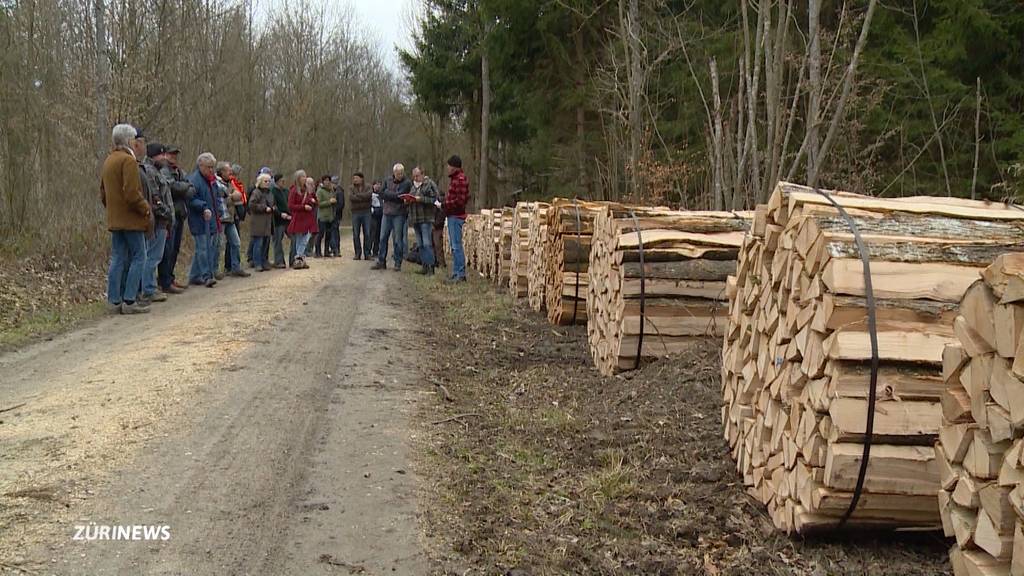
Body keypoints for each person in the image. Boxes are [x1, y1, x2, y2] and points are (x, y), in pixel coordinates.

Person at [100, 124, 153, 314]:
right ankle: (129, 300)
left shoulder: (109, 160)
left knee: (118, 258)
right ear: (129, 140)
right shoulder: (128, 161)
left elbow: (103, 193)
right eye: (133, 139)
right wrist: (145, 208)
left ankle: (114, 300)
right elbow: (132, 193)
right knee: (140, 256)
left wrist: (114, 210)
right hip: (131, 220)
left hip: (115, 219)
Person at [156, 145, 193, 294]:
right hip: (169, 214)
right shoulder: (163, 171)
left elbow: (191, 188)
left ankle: (170, 278)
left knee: (175, 249)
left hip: (180, 213)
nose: (174, 158)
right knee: (167, 250)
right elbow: (171, 188)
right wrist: (183, 188)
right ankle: (164, 281)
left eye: (175, 155)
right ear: (165, 155)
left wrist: (182, 187)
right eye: (171, 155)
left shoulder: (178, 171)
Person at [140, 142, 175, 303]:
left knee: (155, 256)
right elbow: (155, 198)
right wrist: (166, 214)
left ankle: (149, 287)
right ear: (154, 156)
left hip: (162, 221)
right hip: (157, 221)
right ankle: (148, 289)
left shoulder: (158, 171)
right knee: (152, 256)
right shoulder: (149, 171)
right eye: (162, 155)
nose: (165, 158)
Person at [186, 152, 221, 287]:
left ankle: (194, 275)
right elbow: (190, 199)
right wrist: (203, 207)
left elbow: (216, 197)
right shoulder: (194, 180)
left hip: (211, 218)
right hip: (198, 219)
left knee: (205, 248)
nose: (211, 170)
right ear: (200, 166)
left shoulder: (211, 181)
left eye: (213, 167)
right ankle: (207, 276)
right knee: (203, 249)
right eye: (208, 167)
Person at [371, 164, 411, 271]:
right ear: (394, 173)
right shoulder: (387, 180)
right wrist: (393, 195)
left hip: (399, 214)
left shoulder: (407, 182)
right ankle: (381, 261)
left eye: (401, 173)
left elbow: (401, 196)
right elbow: (381, 193)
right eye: (398, 173)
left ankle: (398, 263)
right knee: (382, 237)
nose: (400, 175)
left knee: (397, 239)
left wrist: (390, 194)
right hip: (386, 213)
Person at [216, 162, 250, 278]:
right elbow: (222, 199)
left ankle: (236, 267)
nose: (230, 172)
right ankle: (214, 270)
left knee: (236, 242)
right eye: (227, 171)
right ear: (221, 172)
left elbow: (238, 195)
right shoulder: (216, 183)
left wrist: (232, 196)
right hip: (221, 217)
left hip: (230, 217)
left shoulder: (230, 182)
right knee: (218, 245)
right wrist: (231, 196)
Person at [406, 166, 439, 276]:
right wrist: (408, 201)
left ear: (422, 174)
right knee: (420, 244)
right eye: (414, 176)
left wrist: (421, 199)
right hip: (415, 218)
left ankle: (431, 267)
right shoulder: (413, 186)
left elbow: (435, 199)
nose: (415, 178)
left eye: (417, 176)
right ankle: (424, 265)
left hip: (426, 218)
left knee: (426, 243)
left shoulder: (429, 184)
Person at [444, 154, 470, 283]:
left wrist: (445, 205)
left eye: (449, 166)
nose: (447, 168)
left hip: (456, 215)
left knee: (456, 246)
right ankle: (456, 273)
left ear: (454, 166)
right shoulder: (455, 179)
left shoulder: (460, 179)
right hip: (452, 215)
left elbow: (460, 201)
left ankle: (460, 273)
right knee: (454, 246)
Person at [287, 169, 318, 269]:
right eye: (302, 177)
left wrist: (312, 201)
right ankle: (299, 259)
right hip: (299, 218)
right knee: (300, 239)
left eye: (305, 176)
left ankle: (300, 258)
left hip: (308, 218)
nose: (304, 178)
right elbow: (291, 206)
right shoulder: (294, 190)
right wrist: (303, 207)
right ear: (298, 178)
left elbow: (314, 201)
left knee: (306, 238)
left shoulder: (307, 190)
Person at [248, 173, 274, 272]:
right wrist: (264, 208)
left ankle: (264, 262)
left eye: (269, 181)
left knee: (266, 243)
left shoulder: (270, 193)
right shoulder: (256, 192)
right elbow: (251, 205)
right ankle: (257, 263)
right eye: (265, 181)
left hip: (267, 222)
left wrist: (272, 208)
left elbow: (271, 203)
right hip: (258, 221)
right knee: (258, 244)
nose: (267, 183)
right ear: (260, 182)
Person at [349, 172, 372, 260]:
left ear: (361, 179)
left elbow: (369, 196)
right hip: (355, 212)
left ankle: (367, 253)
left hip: (366, 212)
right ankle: (357, 253)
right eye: (354, 178)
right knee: (355, 233)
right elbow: (351, 198)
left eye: (357, 178)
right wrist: (363, 197)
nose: (355, 180)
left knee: (367, 233)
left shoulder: (368, 186)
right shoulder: (351, 188)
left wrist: (358, 196)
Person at [270, 173, 292, 268]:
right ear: (277, 181)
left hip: (289, 219)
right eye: (281, 181)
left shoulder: (287, 191)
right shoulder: (273, 191)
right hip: (278, 220)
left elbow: (290, 203)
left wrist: (290, 215)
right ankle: (279, 261)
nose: (283, 183)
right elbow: (273, 206)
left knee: (294, 238)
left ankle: (293, 259)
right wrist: (280, 214)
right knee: (278, 240)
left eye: (284, 181)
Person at [315, 175, 336, 257]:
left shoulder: (331, 191)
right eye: (325, 180)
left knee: (329, 235)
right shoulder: (320, 191)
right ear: (323, 182)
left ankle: (326, 251)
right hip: (322, 216)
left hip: (330, 217)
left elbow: (333, 200)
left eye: (328, 180)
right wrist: (329, 202)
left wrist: (334, 201)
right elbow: (318, 203)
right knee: (320, 234)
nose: (327, 182)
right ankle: (318, 252)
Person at [330, 175, 345, 258]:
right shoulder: (333, 191)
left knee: (334, 232)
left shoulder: (339, 191)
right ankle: (334, 248)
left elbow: (341, 204)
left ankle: (336, 249)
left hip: (336, 215)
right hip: (332, 214)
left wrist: (335, 211)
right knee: (333, 231)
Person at [369, 180, 383, 258]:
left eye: (379, 184)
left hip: (381, 215)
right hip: (373, 216)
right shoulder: (370, 194)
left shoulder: (382, 194)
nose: (377, 186)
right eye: (376, 184)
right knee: (372, 234)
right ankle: (368, 250)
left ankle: (376, 251)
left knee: (378, 234)